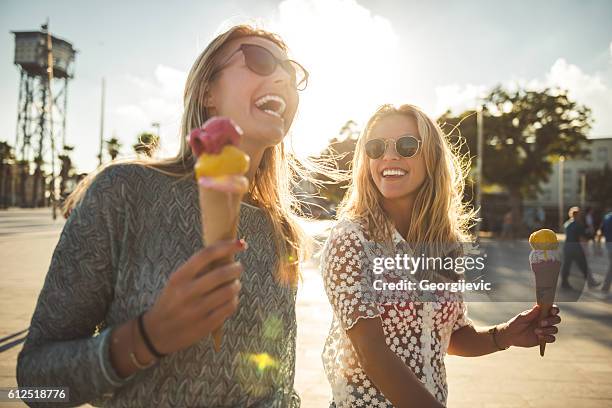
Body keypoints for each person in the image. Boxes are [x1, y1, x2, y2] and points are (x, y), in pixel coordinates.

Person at [17, 24, 310, 407]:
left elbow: (278, 385)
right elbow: (35, 383)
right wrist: (146, 337)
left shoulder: (281, 230)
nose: (283, 77)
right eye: (260, 59)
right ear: (208, 92)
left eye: (293, 72)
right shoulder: (124, 192)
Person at [320, 104, 561, 407]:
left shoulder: (445, 245)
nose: (389, 155)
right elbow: (373, 355)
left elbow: (451, 337)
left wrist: (505, 335)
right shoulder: (350, 239)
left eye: (407, 145)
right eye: (376, 146)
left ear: (431, 157)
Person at [560, 206, 600, 290]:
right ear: (577, 215)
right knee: (583, 265)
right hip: (576, 248)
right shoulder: (578, 224)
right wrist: (591, 237)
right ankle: (591, 282)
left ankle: (564, 283)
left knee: (566, 265)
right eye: (579, 215)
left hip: (567, 247)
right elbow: (583, 237)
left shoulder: (567, 224)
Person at [598, 206, 612, 293]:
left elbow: (600, 232)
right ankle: (605, 286)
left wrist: (598, 245)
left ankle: (605, 286)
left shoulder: (606, 217)